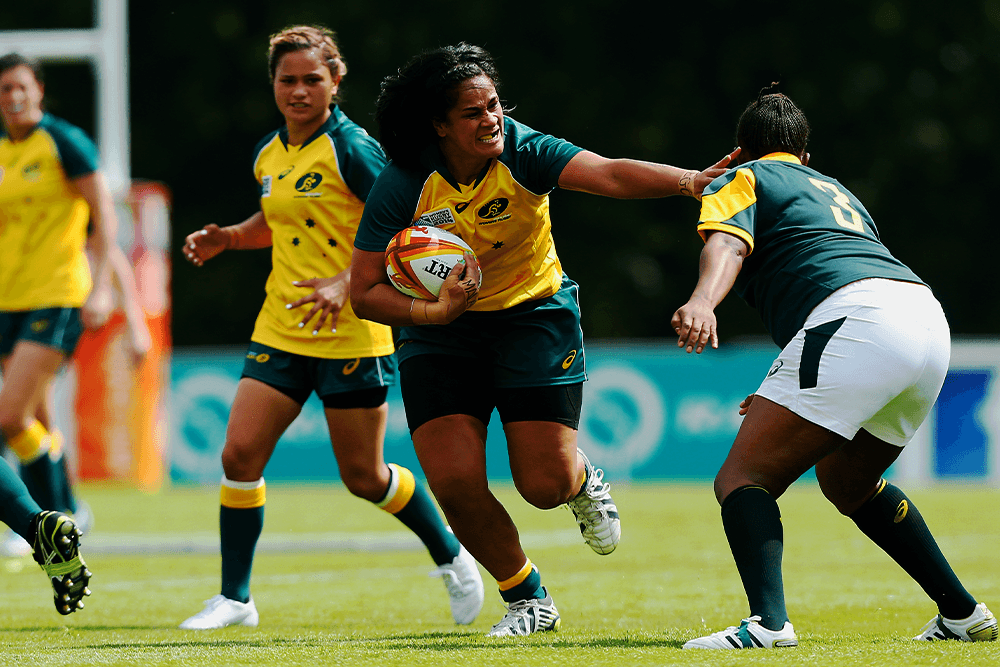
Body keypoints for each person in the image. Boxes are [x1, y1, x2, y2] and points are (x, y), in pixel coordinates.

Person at [349, 42, 735, 637]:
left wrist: (690, 182)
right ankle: (527, 598)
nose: (491, 120)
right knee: (452, 480)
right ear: (439, 125)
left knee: (544, 486)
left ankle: (580, 479)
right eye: (473, 113)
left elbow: (607, 172)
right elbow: (365, 290)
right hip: (441, 334)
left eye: (495, 105)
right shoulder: (404, 183)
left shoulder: (524, 151)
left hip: (533, 317)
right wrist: (432, 314)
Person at [178, 26, 483, 631]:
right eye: (287, 80)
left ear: (335, 81)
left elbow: (405, 226)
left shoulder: (353, 149)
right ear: (273, 85)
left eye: (311, 79)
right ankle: (235, 598)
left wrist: (347, 284)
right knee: (239, 454)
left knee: (364, 477)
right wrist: (231, 238)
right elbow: (278, 219)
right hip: (282, 327)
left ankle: (452, 553)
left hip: (352, 332)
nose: (298, 90)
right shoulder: (271, 151)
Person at [672, 89, 997, 649]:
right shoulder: (836, 190)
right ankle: (963, 615)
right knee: (848, 480)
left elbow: (727, 244)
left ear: (740, 150)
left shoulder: (742, 178)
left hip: (860, 319)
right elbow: (826, 271)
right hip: (922, 317)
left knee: (742, 478)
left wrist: (703, 299)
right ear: (804, 152)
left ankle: (768, 626)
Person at [0, 52, 120, 554]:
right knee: (35, 422)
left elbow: (104, 215)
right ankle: (65, 514)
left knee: (9, 418)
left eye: (19, 87)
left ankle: (41, 520)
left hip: (57, 295)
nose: (12, 97)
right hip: (10, 299)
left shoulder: (63, 142)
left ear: (39, 90)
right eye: (4, 90)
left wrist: (102, 285)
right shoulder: (2, 152)